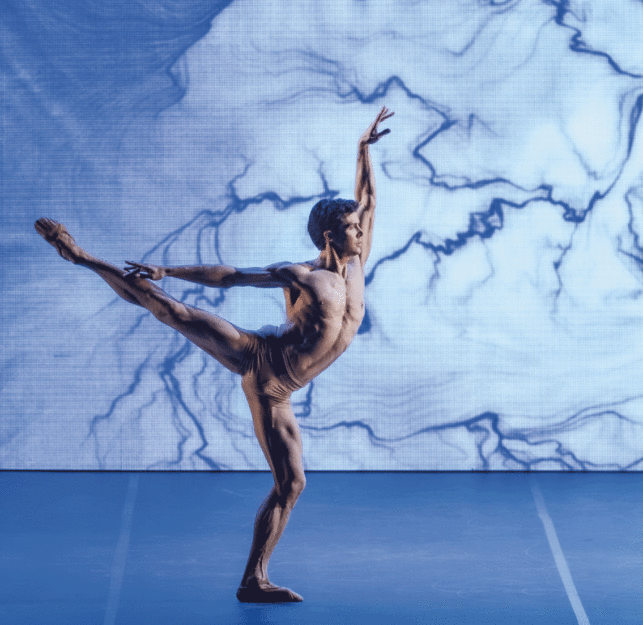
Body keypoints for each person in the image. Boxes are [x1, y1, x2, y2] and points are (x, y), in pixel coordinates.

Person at [35, 106, 394, 603]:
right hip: (262, 364)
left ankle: (253, 580)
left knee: (291, 486)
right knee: (175, 314)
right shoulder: (304, 276)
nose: (362, 230)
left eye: (359, 226)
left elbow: (369, 199)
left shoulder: (358, 261)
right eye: (353, 227)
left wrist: (362, 149)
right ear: (332, 234)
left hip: (286, 388)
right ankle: (81, 256)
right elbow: (232, 276)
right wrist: (168, 270)